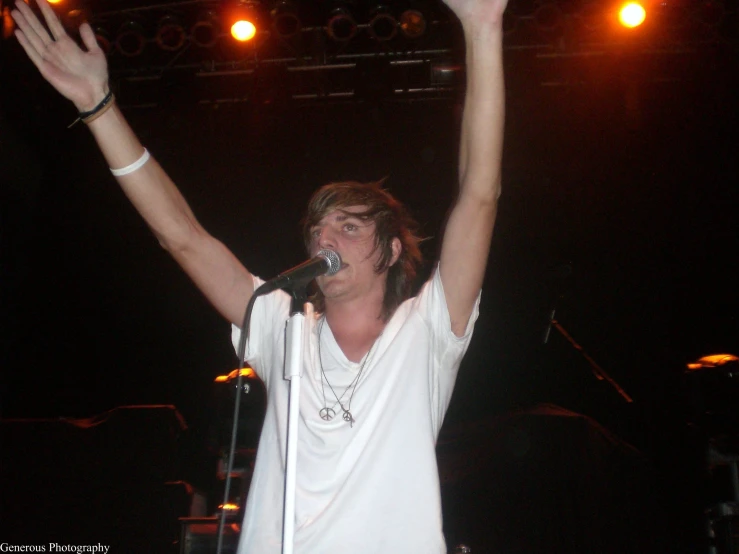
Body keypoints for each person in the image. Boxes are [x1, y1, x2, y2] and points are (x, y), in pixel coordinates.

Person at [11, 0, 507, 550]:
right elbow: (182, 235)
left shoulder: (428, 330)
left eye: (347, 226)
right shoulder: (279, 321)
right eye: (318, 228)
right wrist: (99, 107)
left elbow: (479, 196)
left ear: (390, 251)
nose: (324, 238)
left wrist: (482, 27)